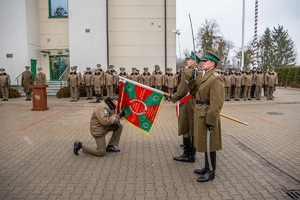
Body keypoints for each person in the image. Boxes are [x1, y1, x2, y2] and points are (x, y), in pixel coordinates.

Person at [187, 51, 225, 182]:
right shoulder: (204, 76)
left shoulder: (215, 78)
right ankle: (206, 166)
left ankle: (211, 171)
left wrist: (211, 120)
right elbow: (193, 93)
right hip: (200, 113)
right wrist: (192, 79)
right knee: (204, 142)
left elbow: (217, 102)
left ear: (212, 63)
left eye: (205, 61)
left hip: (208, 114)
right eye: (202, 61)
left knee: (210, 144)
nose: (202, 63)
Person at [171, 52, 200, 163]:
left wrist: (174, 97)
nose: (187, 61)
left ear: (194, 62)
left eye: (189, 60)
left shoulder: (187, 72)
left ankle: (187, 155)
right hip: (195, 101)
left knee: (186, 126)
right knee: (192, 127)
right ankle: (192, 154)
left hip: (187, 102)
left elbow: (182, 90)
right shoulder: (199, 72)